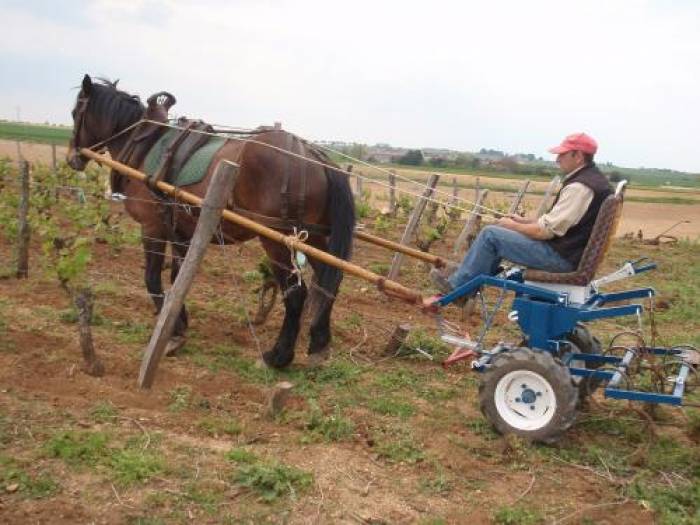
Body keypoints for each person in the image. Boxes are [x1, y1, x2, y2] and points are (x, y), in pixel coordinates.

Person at [431, 132, 613, 295]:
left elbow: (545, 231)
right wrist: (524, 222)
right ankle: (470, 277)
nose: (558, 159)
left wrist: (512, 225)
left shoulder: (579, 187)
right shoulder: (593, 180)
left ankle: (460, 288)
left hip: (562, 258)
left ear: (579, 156)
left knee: (491, 234)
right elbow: (561, 222)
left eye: (563, 154)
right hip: (571, 253)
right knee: (499, 232)